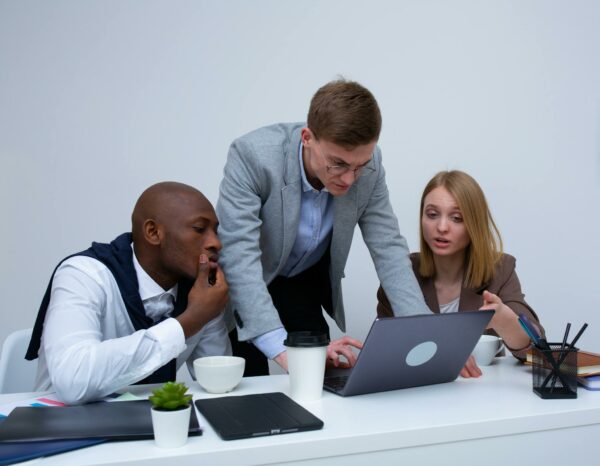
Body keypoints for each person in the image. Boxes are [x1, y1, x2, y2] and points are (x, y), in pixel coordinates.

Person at [216, 79, 430, 376]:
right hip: (249, 282)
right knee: (248, 390)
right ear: (307, 137)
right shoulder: (252, 156)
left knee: (322, 382)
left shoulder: (370, 165)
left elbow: (389, 247)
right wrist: (282, 351)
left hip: (303, 282)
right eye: (338, 164)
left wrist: (427, 334)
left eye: (360, 165)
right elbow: (238, 256)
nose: (350, 179)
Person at [25, 182, 231, 404]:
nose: (216, 243)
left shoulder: (199, 290)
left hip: (154, 428)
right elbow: (72, 382)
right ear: (153, 232)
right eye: (200, 229)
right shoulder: (84, 274)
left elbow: (218, 381)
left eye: (215, 231)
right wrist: (191, 320)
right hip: (62, 425)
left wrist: (204, 313)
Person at [377, 170, 543, 377]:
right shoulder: (400, 273)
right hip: (420, 394)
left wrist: (504, 320)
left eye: (456, 218)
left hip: (480, 395)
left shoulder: (500, 269)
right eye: (432, 214)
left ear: (474, 224)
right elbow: (383, 353)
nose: (441, 227)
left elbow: (536, 351)